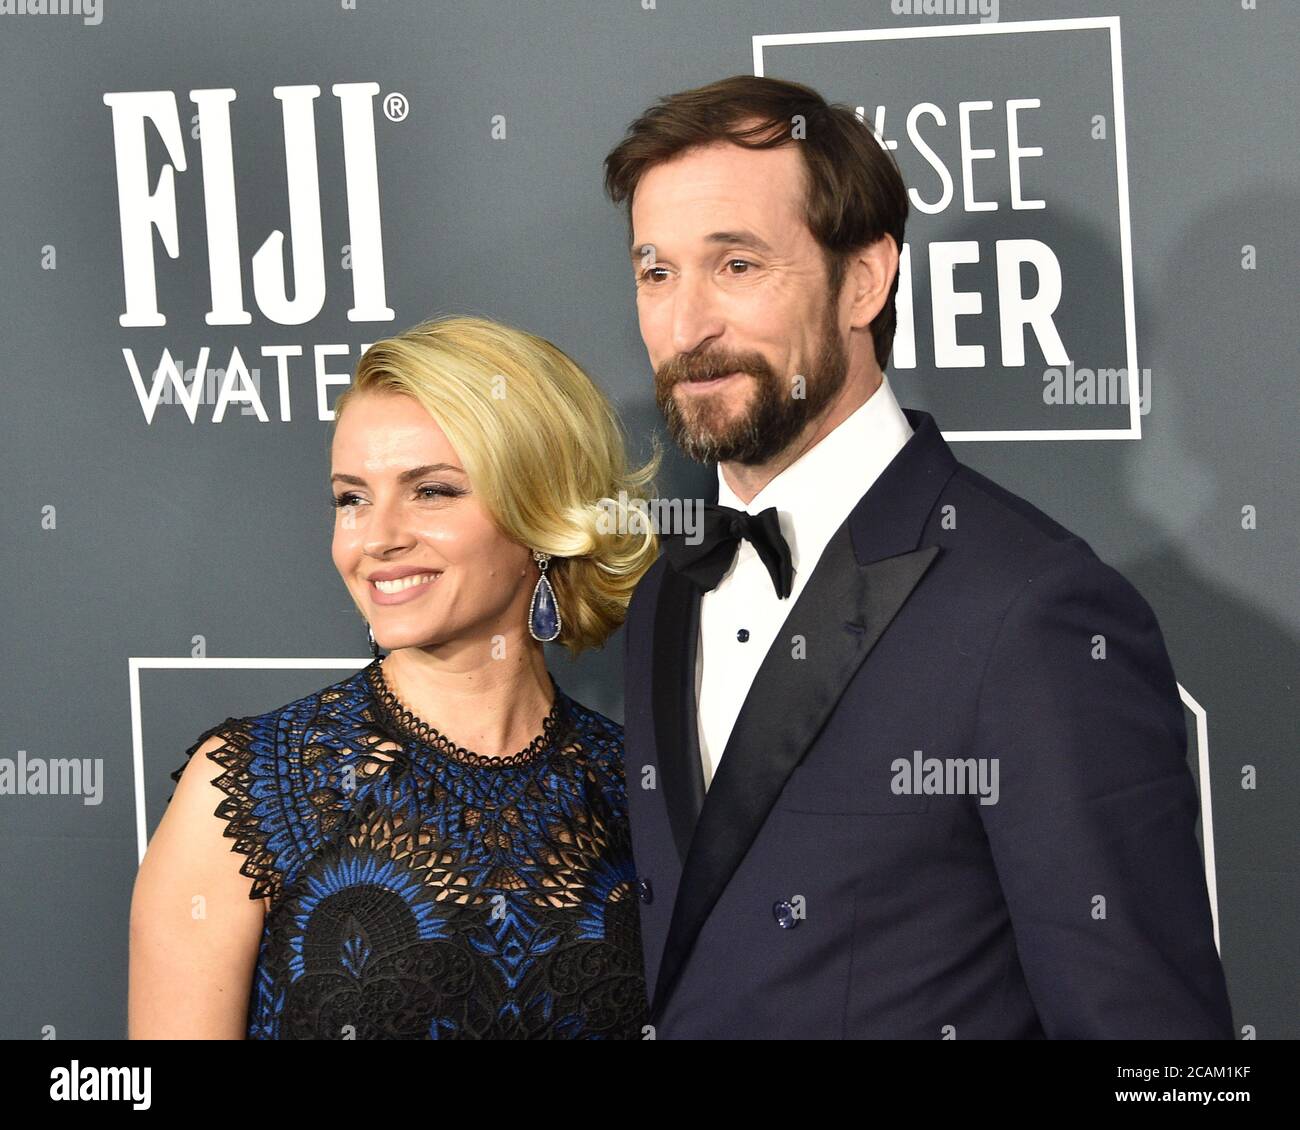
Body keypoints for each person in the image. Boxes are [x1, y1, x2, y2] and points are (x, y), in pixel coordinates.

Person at [605, 75, 1234, 1038]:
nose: (687, 327)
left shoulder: (1032, 611)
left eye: (737, 266)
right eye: (657, 273)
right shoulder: (663, 596)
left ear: (865, 280)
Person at [129, 315, 659, 1039]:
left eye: (432, 491)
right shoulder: (252, 788)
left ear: (541, 510)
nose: (377, 538)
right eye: (352, 498)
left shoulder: (641, 791)